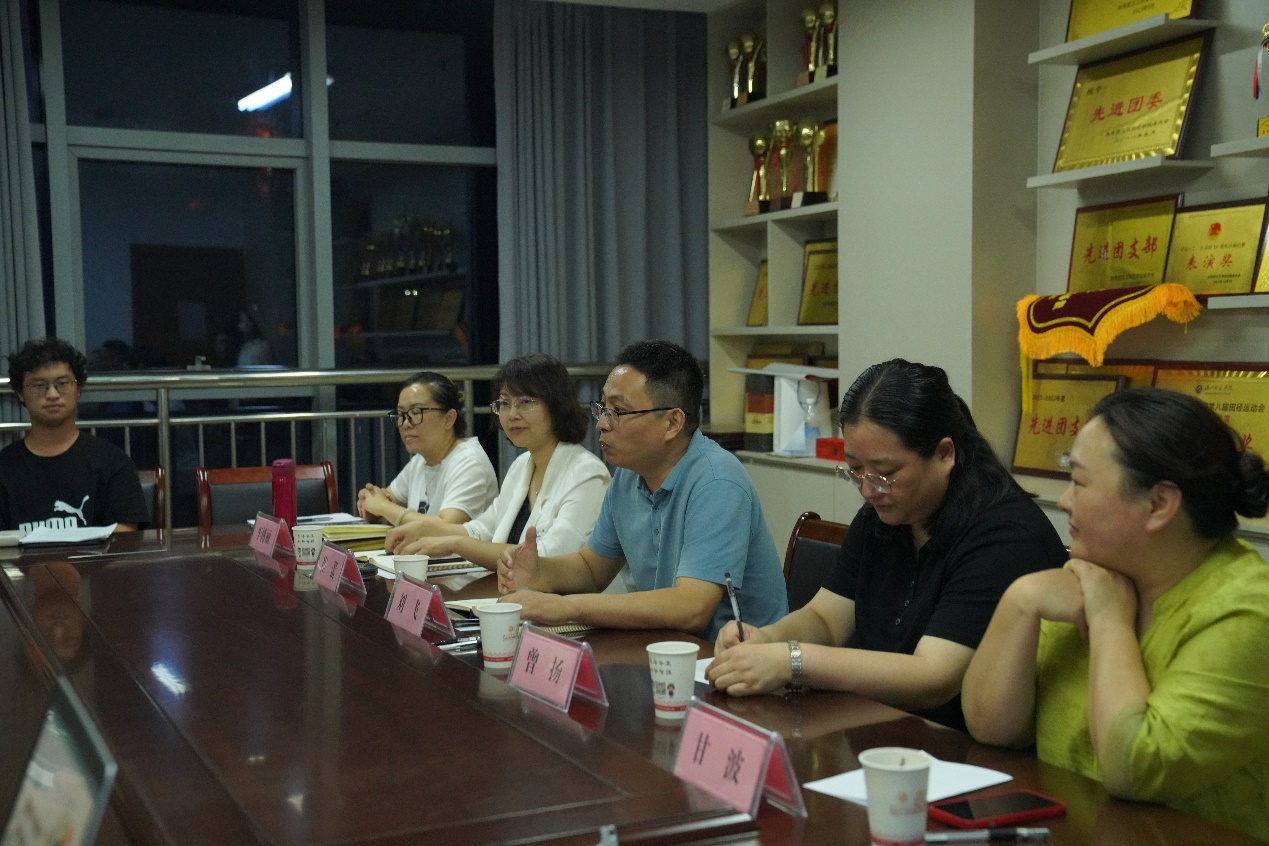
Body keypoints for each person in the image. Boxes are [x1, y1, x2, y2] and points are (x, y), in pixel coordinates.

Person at [962, 388, 1269, 842]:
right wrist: (1021, 599)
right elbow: (992, 728)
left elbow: (1137, 770)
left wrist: (1109, 621)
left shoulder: (1247, 610)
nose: (1064, 501)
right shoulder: (1095, 573)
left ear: (1158, 504)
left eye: (1079, 483)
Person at [706, 359, 1067, 731]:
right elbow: (825, 619)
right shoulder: (884, 514)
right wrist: (766, 639)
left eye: (885, 473)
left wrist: (793, 661)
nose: (867, 489)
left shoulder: (1005, 536)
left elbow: (933, 677)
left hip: (961, 748)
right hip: (881, 727)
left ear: (945, 454)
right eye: (854, 470)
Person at [497, 340, 788, 640]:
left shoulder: (717, 481)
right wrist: (538, 571)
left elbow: (692, 607)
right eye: (602, 408)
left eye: (618, 411)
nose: (601, 424)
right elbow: (591, 569)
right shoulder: (628, 475)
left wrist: (566, 607)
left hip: (738, 656)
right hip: (665, 645)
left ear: (672, 422)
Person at [383, 353, 610, 571]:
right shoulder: (522, 465)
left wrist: (455, 544)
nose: (512, 414)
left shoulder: (587, 473)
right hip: (519, 590)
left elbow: (547, 557)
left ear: (556, 405)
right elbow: (483, 528)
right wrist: (425, 529)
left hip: (569, 597)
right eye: (504, 403)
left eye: (525, 401)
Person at [0, 337, 148, 532]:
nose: (52, 394)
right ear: (20, 394)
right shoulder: (4, 467)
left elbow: (126, 535)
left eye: (62, 383)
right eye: (38, 385)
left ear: (78, 389)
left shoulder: (113, 462)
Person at [357, 371, 497, 528]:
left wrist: (383, 507)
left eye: (416, 413)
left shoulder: (470, 463)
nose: (405, 424)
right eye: (401, 414)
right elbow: (388, 502)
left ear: (449, 418)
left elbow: (444, 527)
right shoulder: (420, 460)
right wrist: (372, 506)